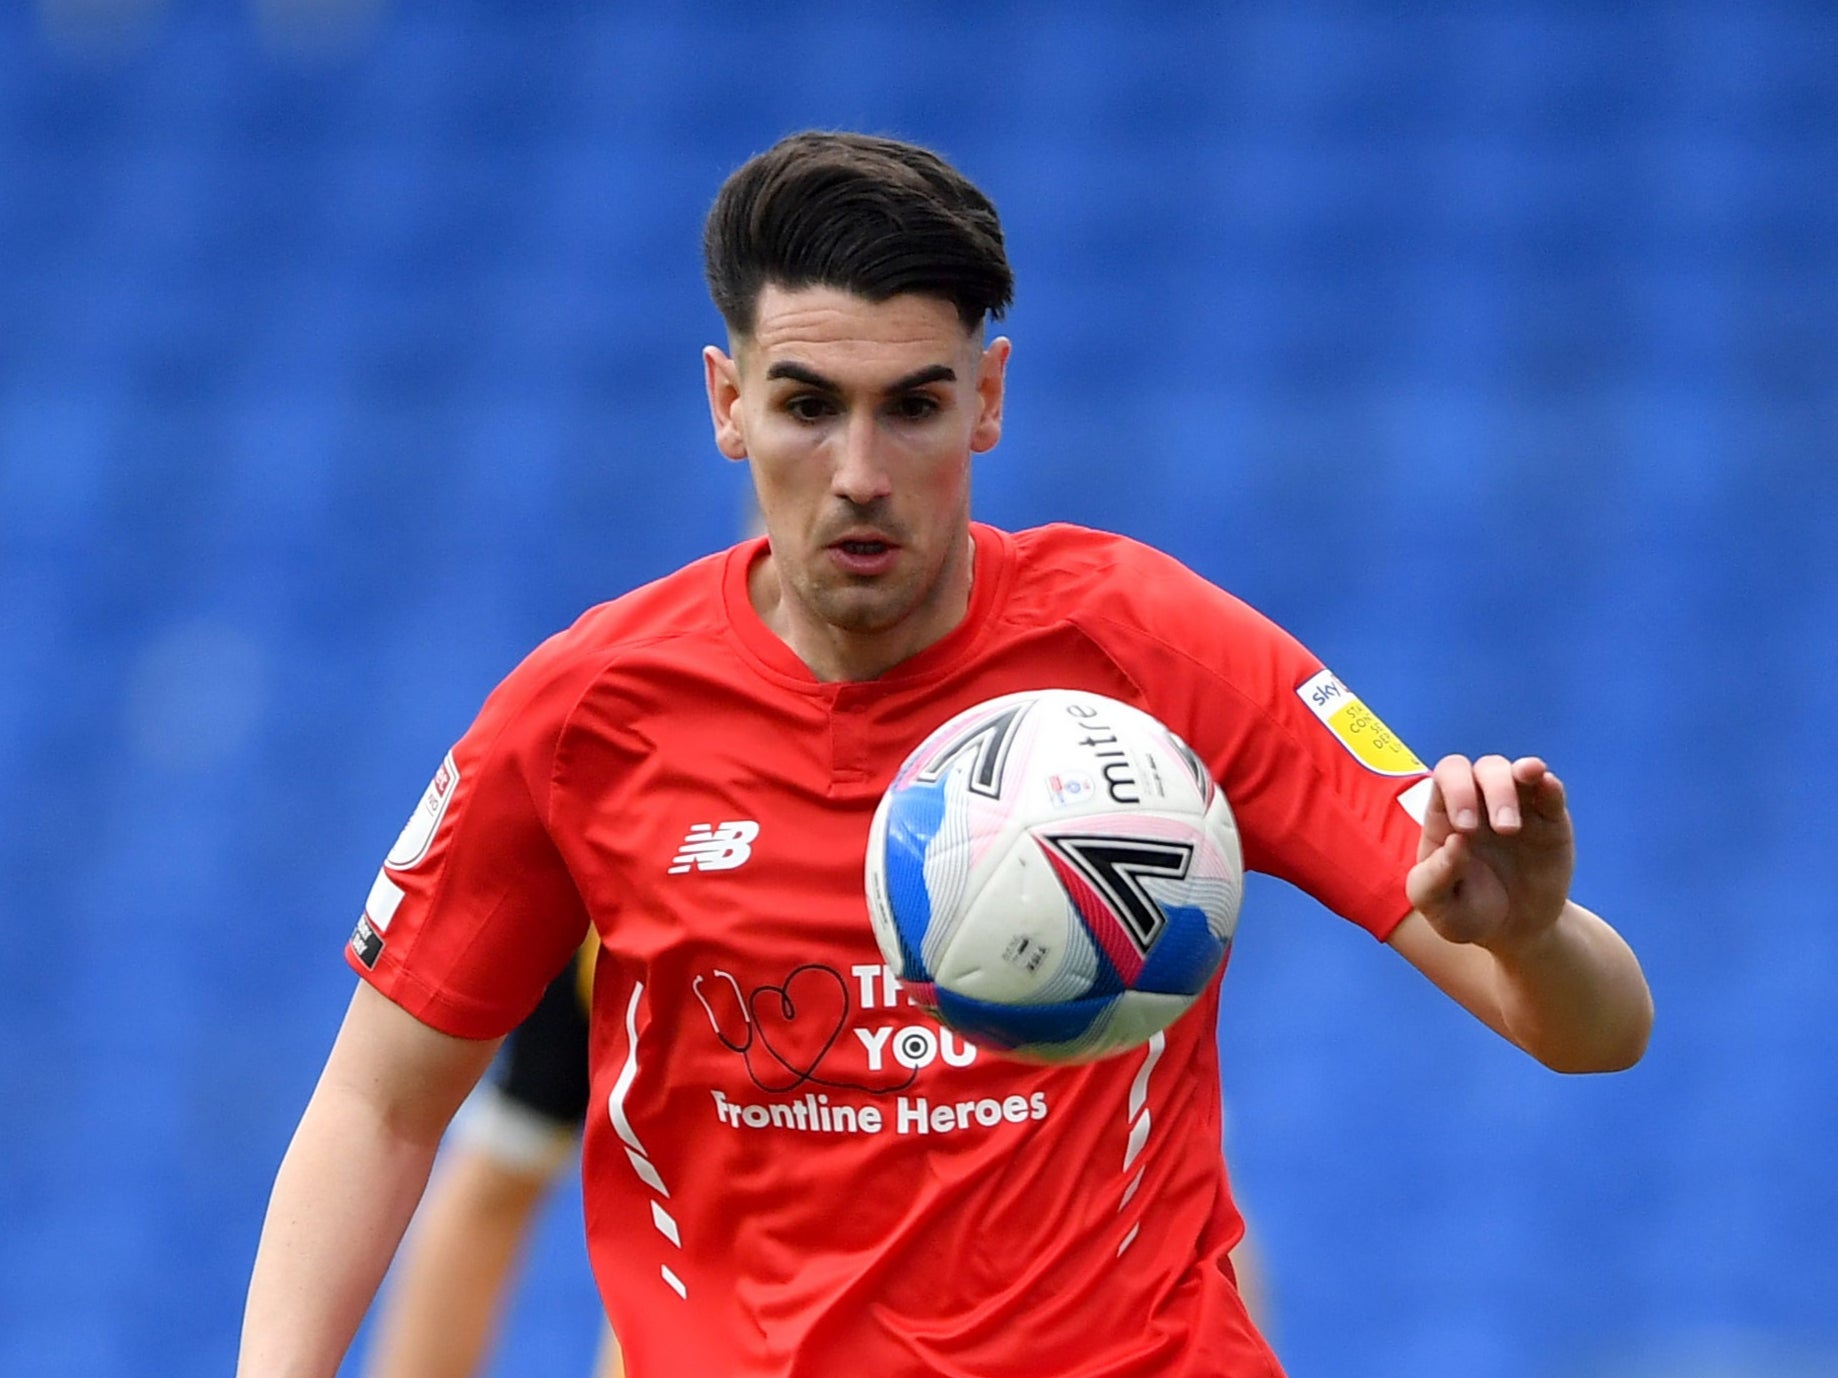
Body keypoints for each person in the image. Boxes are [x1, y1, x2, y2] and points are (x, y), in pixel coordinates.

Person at [237, 130, 1653, 1378]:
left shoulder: (1156, 651)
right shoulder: (585, 717)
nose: (859, 469)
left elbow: (1596, 1033)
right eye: (806, 405)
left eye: (911, 405)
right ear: (727, 402)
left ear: (986, 399)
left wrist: (1532, 938)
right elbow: (379, 1101)